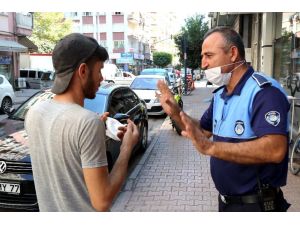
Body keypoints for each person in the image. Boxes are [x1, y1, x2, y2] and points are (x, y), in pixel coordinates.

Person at [157, 27, 291, 212]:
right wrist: (175, 112)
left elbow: (275, 149)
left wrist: (211, 147)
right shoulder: (221, 94)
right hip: (227, 203)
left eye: (209, 55)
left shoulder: (264, 92)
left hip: (257, 206)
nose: (203, 64)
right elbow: (202, 131)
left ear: (233, 53)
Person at [25, 33, 139, 212]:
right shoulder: (86, 122)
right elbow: (102, 201)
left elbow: (65, 158)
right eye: (99, 70)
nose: (102, 78)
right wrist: (127, 147)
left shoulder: (33, 112)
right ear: (83, 71)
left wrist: (94, 133)